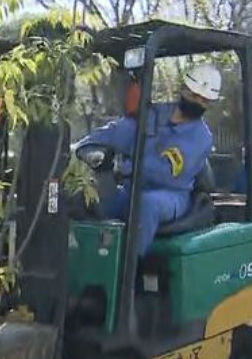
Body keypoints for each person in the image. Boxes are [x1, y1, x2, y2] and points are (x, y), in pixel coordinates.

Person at [73, 64, 221, 255]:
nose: (198, 102)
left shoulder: (201, 138)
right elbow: (119, 132)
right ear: (183, 88)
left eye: (204, 101)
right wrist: (85, 148)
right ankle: (90, 263)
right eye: (194, 96)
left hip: (171, 195)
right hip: (130, 189)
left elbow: (166, 173)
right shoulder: (154, 115)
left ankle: (129, 272)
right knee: (91, 199)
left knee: (147, 204)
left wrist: (125, 166)